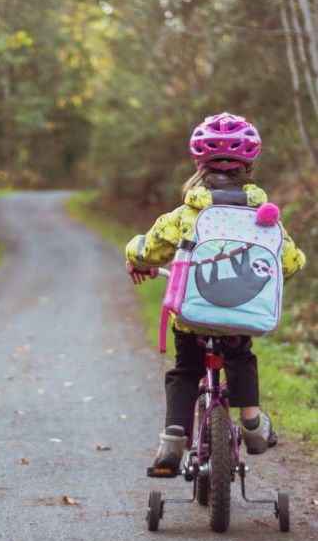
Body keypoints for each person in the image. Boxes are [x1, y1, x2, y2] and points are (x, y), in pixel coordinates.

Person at [124, 112, 306, 472]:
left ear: (198, 163)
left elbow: (150, 248)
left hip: (192, 318)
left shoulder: (186, 215)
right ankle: (252, 424)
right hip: (240, 320)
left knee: (185, 371)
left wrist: (134, 256)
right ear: (250, 165)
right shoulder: (263, 217)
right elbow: (291, 262)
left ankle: (173, 439)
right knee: (241, 358)